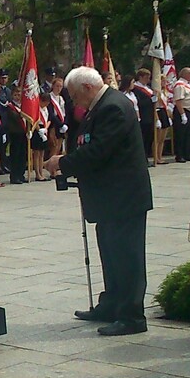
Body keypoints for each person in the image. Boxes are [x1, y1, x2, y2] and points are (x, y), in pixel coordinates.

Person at [45, 65, 153, 336]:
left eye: (74, 95)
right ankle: (112, 304)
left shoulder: (113, 108)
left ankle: (132, 316)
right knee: (111, 253)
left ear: (88, 88)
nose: (74, 101)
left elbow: (99, 151)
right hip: (110, 198)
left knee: (127, 257)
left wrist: (63, 163)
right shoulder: (101, 106)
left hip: (123, 197)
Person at [131, 68, 156, 161]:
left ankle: (146, 155)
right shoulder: (136, 89)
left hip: (150, 115)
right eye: (146, 77)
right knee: (143, 138)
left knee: (149, 138)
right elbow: (139, 102)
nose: (148, 79)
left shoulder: (148, 88)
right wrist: (150, 100)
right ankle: (143, 158)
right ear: (140, 77)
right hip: (143, 116)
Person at [172, 68, 190, 163]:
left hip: (189, 112)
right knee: (181, 135)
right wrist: (183, 114)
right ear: (184, 74)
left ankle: (187, 154)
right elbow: (178, 100)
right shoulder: (179, 85)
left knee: (188, 135)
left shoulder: (187, 85)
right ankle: (180, 155)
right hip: (182, 111)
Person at [6, 86, 28, 184]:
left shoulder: (24, 106)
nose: (17, 97)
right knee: (15, 155)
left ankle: (21, 174)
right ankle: (14, 176)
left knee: (23, 154)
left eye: (19, 95)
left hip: (24, 132)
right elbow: (15, 117)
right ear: (12, 95)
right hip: (15, 133)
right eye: (15, 95)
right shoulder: (10, 106)